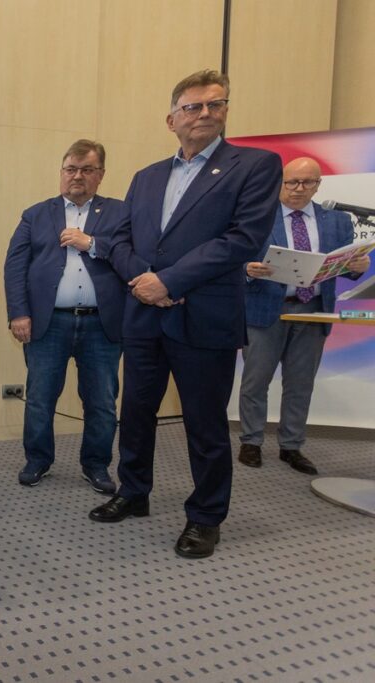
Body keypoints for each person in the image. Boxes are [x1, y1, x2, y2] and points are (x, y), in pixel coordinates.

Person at [91, 70, 283, 560]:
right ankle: (134, 492)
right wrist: (146, 282)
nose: (204, 114)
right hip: (145, 316)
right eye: (193, 107)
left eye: (215, 105)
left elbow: (243, 239)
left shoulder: (255, 165)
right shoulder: (147, 176)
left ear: (224, 112)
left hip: (205, 318)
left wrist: (170, 282)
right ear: (171, 118)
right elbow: (119, 241)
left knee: (205, 424)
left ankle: (205, 516)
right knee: (135, 413)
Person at [3, 140, 125, 494]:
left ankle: (97, 464)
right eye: (71, 168)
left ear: (100, 175)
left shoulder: (120, 213)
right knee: (41, 397)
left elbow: (131, 258)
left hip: (101, 324)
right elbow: (15, 268)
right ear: (61, 172)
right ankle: (38, 460)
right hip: (48, 322)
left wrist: (93, 244)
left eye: (87, 170)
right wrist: (19, 313)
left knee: (102, 401)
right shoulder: (36, 214)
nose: (77, 176)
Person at [238, 157, 370, 474]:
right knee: (256, 381)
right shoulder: (257, 215)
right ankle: (251, 442)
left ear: (318, 184)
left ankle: (291, 446)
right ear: (279, 183)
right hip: (266, 309)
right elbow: (234, 259)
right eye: (291, 182)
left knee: (301, 384)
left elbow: (345, 262)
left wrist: (357, 269)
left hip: (313, 311)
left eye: (307, 182)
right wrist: (247, 270)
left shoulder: (337, 221)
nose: (299, 189)